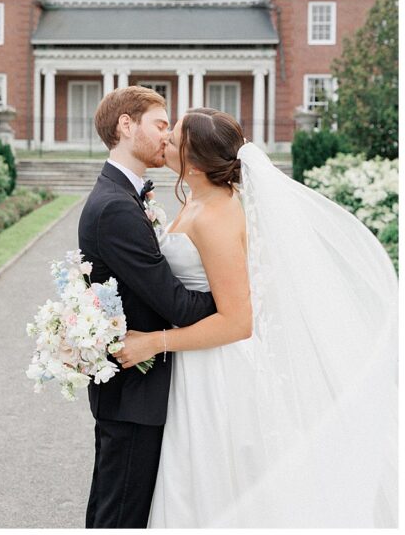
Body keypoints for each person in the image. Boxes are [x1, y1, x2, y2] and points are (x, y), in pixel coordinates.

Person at [117, 108, 398, 527]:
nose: (164, 141)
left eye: (173, 139)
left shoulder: (216, 218)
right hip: (193, 363)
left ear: (193, 165)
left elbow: (238, 321)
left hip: (215, 372)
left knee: (212, 483)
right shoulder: (198, 198)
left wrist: (151, 341)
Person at [78, 87, 218, 528]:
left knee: (117, 507)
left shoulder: (126, 196)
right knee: (120, 515)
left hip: (138, 391)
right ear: (126, 125)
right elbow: (176, 303)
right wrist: (240, 299)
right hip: (134, 394)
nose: (167, 136)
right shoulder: (115, 207)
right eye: (160, 124)